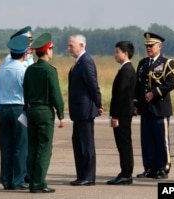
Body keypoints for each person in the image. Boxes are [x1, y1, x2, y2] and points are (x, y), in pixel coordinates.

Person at [23, 33, 66, 193]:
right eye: (51, 49)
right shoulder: (50, 71)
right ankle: (39, 183)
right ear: (47, 50)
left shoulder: (30, 69)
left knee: (32, 147)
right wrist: (61, 114)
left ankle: (32, 180)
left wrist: (26, 109)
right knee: (44, 148)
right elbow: (56, 94)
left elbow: (25, 92)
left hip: (31, 110)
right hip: (44, 111)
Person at [134, 32, 174, 179]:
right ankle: (149, 168)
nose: (148, 48)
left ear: (159, 46)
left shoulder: (167, 63)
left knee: (161, 139)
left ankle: (162, 168)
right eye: (147, 45)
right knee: (147, 140)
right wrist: (136, 104)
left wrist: (155, 92)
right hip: (146, 109)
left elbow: (172, 82)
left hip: (160, 108)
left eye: (151, 45)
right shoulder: (142, 63)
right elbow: (138, 85)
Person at [0, 35, 30, 190]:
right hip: (19, 109)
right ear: (24, 54)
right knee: (21, 145)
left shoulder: (1, 69)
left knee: (6, 145)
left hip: (4, 108)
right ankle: (18, 180)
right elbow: (27, 92)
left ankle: (6, 179)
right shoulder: (23, 70)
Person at [68, 34, 103, 186]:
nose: (69, 49)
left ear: (81, 45)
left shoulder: (86, 61)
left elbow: (93, 85)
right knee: (77, 143)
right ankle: (81, 175)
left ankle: (88, 176)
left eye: (71, 46)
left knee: (86, 144)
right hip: (78, 111)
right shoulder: (78, 62)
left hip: (85, 110)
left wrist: (99, 103)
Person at [107, 41, 136, 185]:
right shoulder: (125, 69)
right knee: (123, 144)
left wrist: (115, 115)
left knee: (124, 144)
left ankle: (126, 173)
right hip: (123, 113)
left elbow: (122, 95)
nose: (115, 54)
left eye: (117, 52)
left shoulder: (126, 70)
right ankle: (125, 172)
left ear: (125, 53)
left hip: (122, 114)